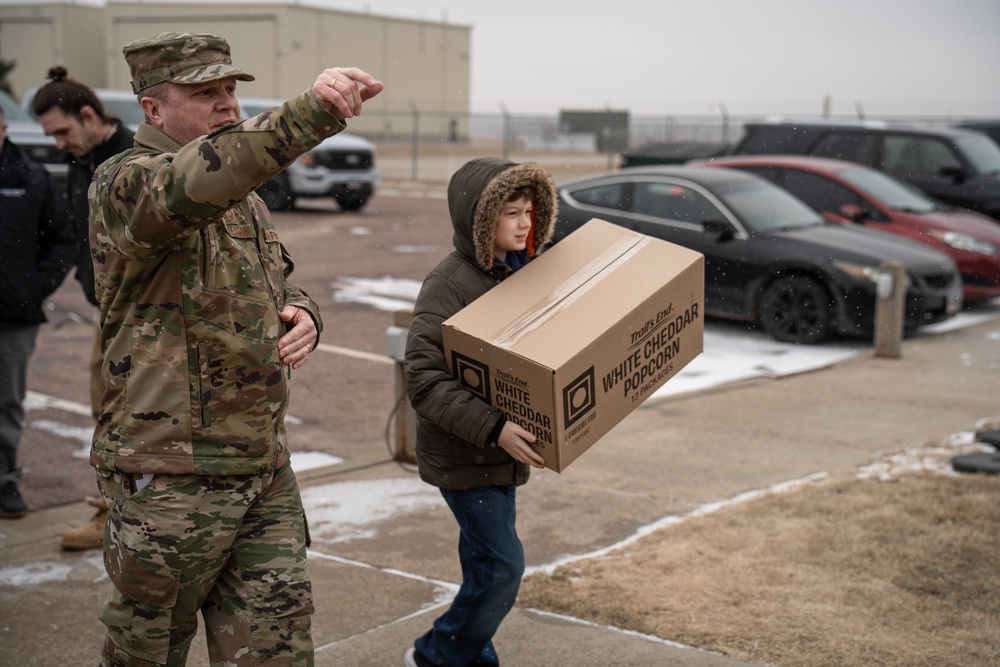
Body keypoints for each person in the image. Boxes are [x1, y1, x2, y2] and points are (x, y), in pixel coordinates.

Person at [88, 32, 382, 666]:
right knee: (148, 650)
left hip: (261, 466)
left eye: (230, 90)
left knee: (276, 647)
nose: (227, 105)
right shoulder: (127, 185)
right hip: (171, 475)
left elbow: (274, 275)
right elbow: (192, 183)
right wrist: (314, 112)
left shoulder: (242, 199)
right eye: (204, 94)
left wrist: (304, 311)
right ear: (152, 109)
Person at [403, 157, 556, 667]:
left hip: (501, 453)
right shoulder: (449, 284)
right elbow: (423, 378)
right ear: (479, 219)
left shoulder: (519, 274)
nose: (524, 224)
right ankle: (434, 655)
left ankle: (472, 660)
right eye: (511, 213)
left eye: (529, 213)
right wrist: (494, 428)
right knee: (503, 569)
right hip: (468, 454)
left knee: (484, 570)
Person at [30, 66, 136, 550]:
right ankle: (115, 509)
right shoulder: (81, 161)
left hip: (143, 315)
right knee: (108, 414)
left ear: (89, 115)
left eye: (63, 131)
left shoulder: (134, 159)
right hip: (107, 312)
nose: (57, 143)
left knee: (135, 419)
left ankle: (128, 518)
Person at [0, 107, 75, 518]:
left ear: (4, 129)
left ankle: (5, 483)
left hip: (13, 315)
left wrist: (34, 289)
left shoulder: (31, 179)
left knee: (7, 403)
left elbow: (62, 240)